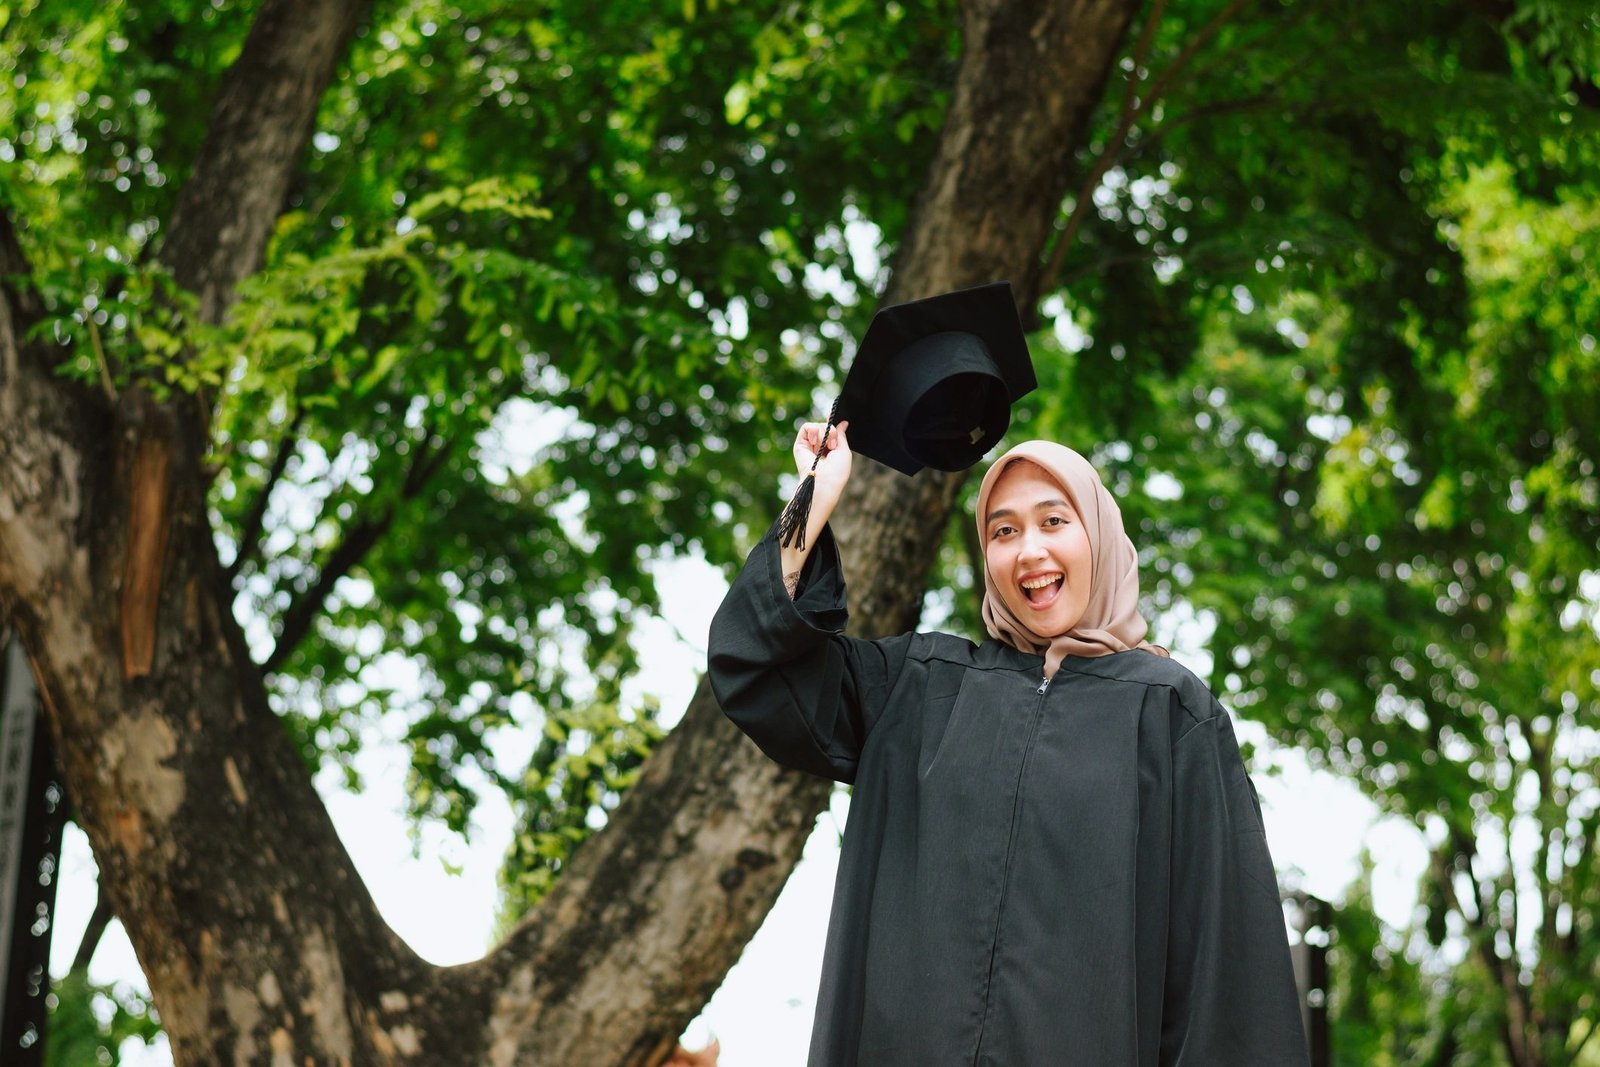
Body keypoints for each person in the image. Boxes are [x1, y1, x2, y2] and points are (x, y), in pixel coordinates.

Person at [707, 422, 1310, 1066]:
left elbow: (1228, 969)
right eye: (1004, 530)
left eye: (1054, 522)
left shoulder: (1167, 711)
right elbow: (759, 667)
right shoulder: (919, 689)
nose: (1030, 552)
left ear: (1098, 536)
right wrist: (815, 497)